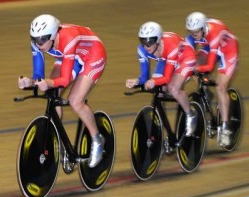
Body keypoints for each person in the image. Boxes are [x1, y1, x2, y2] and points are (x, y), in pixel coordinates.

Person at [18, 14, 106, 168]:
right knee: (52, 94)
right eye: (34, 39)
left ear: (52, 36)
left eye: (41, 40)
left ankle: (97, 139)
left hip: (92, 56)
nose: (37, 44)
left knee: (75, 101)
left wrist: (48, 82)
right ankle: (62, 143)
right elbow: (38, 74)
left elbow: (64, 79)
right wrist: (30, 81)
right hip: (69, 56)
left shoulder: (68, 38)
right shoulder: (39, 42)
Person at [126, 21, 197, 137]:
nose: (146, 46)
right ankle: (161, 132)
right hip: (166, 59)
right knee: (158, 92)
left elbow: (167, 78)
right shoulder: (142, 50)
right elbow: (144, 77)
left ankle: (190, 114)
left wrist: (154, 81)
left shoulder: (171, 45)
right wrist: (137, 81)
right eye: (143, 41)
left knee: (173, 88)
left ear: (158, 40)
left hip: (184, 57)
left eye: (149, 41)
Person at [185, 12, 239, 147]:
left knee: (221, 87)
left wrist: (194, 70)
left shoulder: (214, 33)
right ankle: (206, 93)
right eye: (190, 32)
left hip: (228, 50)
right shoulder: (193, 35)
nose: (193, 34)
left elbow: (209, 66)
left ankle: (226, 128)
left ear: (203, 28)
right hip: (210, 47)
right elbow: (187, 58)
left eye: (196, 32)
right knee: (193, 64)